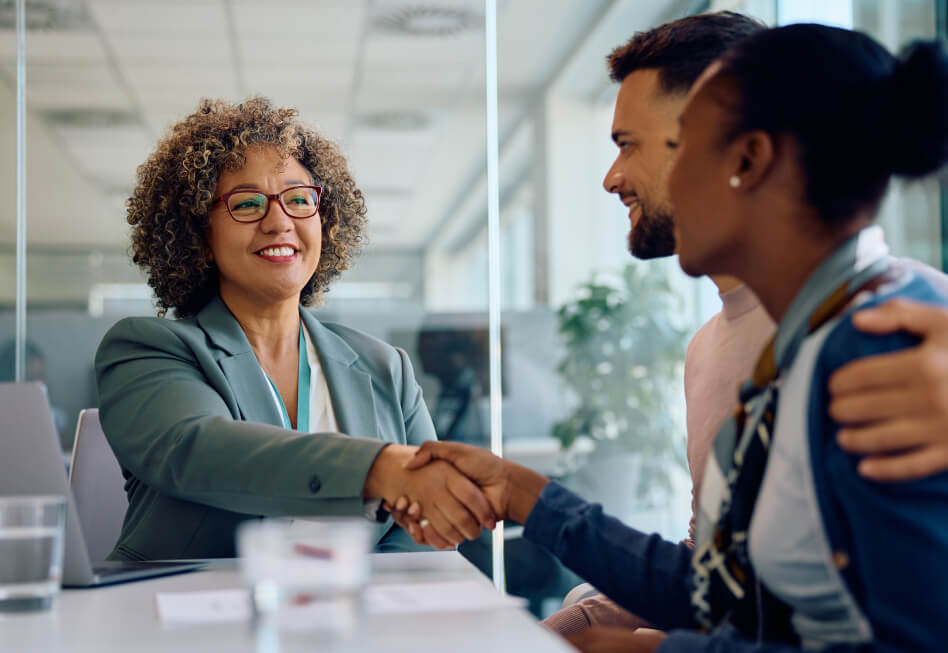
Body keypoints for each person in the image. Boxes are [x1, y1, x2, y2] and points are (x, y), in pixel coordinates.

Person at [397, 24, 948, 652]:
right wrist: (525, 495)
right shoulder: (803, 341)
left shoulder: (883, 345)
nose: (626, 179)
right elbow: (731, 594)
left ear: (748, 160)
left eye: (683, 148)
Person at [94, 97, 494, 561]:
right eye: (247, 204)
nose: (280, 221)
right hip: (183, 621)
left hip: (349, 619)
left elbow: (424, 525)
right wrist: (378, 469)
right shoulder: (150, 350)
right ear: (200, 238)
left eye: (299, 199)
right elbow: (200, 452)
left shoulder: (386, 368)